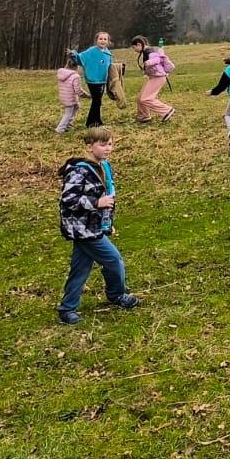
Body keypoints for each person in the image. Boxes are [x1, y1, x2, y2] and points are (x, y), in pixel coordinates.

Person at [56, 126, 141, 324]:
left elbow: (108, 197)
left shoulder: (104, 167)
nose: (108, 148)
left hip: (94, 226)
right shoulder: (79, 171)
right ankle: (116, 294)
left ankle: (67, 309)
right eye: (102, 145)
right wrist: (95, 203)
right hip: (83, 229)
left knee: (80, 268)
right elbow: (68, 200)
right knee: (114, 260)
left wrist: (107, 224)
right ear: (89, 147)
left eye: (110, 144)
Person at [130, 36, 177, 123]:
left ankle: (167, 110)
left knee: (145, 98)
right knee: (140, 98)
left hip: (158, 77)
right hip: (154, 77)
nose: (134, 50)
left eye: (134, 47)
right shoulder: (146, 51)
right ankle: (143, 116)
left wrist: (147, 63)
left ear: (139, 44)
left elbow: (157, 59)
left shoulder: (149, 51)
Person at [76, 31, 114, 128]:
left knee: (97, 101)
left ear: (108, 41)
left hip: (102, 80)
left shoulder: (108, 53)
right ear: (96, 40)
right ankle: (95, 122)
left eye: (105, 39)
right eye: (100, 39)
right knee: (97, 101)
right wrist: (73, 54)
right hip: (93, 80)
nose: (102, 41)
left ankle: (91, 122)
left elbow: (110, 66)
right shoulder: (92, 50)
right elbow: (81, 57)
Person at [54, 52, 88, 134]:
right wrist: (88, 96)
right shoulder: (75, 76)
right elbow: (78, 91)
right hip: (70, 99)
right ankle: (60, 129)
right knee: (68, 114)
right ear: (77, 66)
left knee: (76, 106)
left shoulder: (61, 73)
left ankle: (68, 125)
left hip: (63, 97)